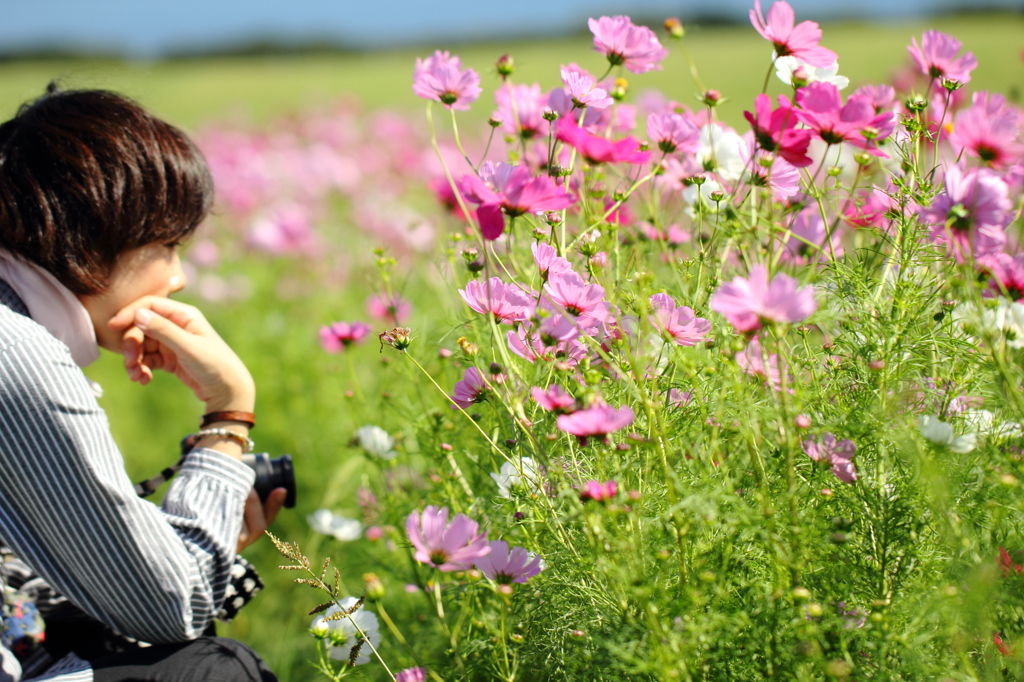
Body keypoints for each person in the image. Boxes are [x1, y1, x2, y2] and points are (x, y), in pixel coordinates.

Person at [0, 85, 286, 681]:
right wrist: (228, 418)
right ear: (87, 232)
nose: (178, 277)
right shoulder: (17, 350)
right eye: (166, 245)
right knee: (215, 670)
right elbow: (166, 607)